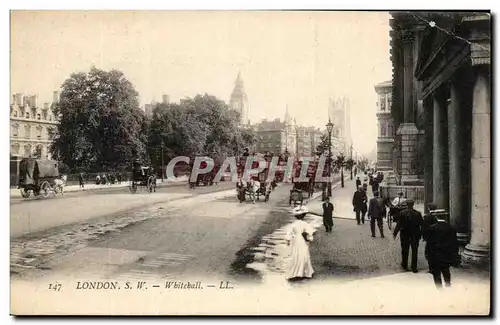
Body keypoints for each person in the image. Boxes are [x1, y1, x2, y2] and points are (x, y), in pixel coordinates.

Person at [426, 212, 459, 288]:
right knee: (446, 271)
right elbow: (455, 243)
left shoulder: (432, 228)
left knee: (436, 274)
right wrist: (454, 255)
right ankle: (448, 285)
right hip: (446, 255)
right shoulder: (451, 228)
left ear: (436, 217)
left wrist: (428, 255)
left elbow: (429, 244)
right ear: (445, 217)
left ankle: (439, 289)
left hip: (435, 256)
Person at [285, 205, 316, 281]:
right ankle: (305, 272)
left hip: (295, 240)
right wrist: (309, 239)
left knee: (295, 254)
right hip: (302, 240)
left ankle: (295, 272)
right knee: (304, 254)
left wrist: (288, 241)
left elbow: (288, 234)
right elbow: (310, 233)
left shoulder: (293, 224)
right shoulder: (305, 224)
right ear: (303, 216)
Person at [393, 199, 424, 273]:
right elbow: (422, 225)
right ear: (413, 205)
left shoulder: (402, 213)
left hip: (404, 235)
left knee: (404, 250)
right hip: (415, 235)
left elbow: (399, 224)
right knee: (414, 251)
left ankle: (404, 265)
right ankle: (414, 267)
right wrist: (422, 234)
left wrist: (395, 233)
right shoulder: (418, 213)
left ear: (406, 205)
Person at [423, 203, 439, 273]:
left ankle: (431, 268)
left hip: (429, 238)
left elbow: (424, 228)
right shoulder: (438, 216)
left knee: (428, 253)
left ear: (429, 208)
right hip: (437, 237)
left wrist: (424, 237)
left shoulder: (427, 216)